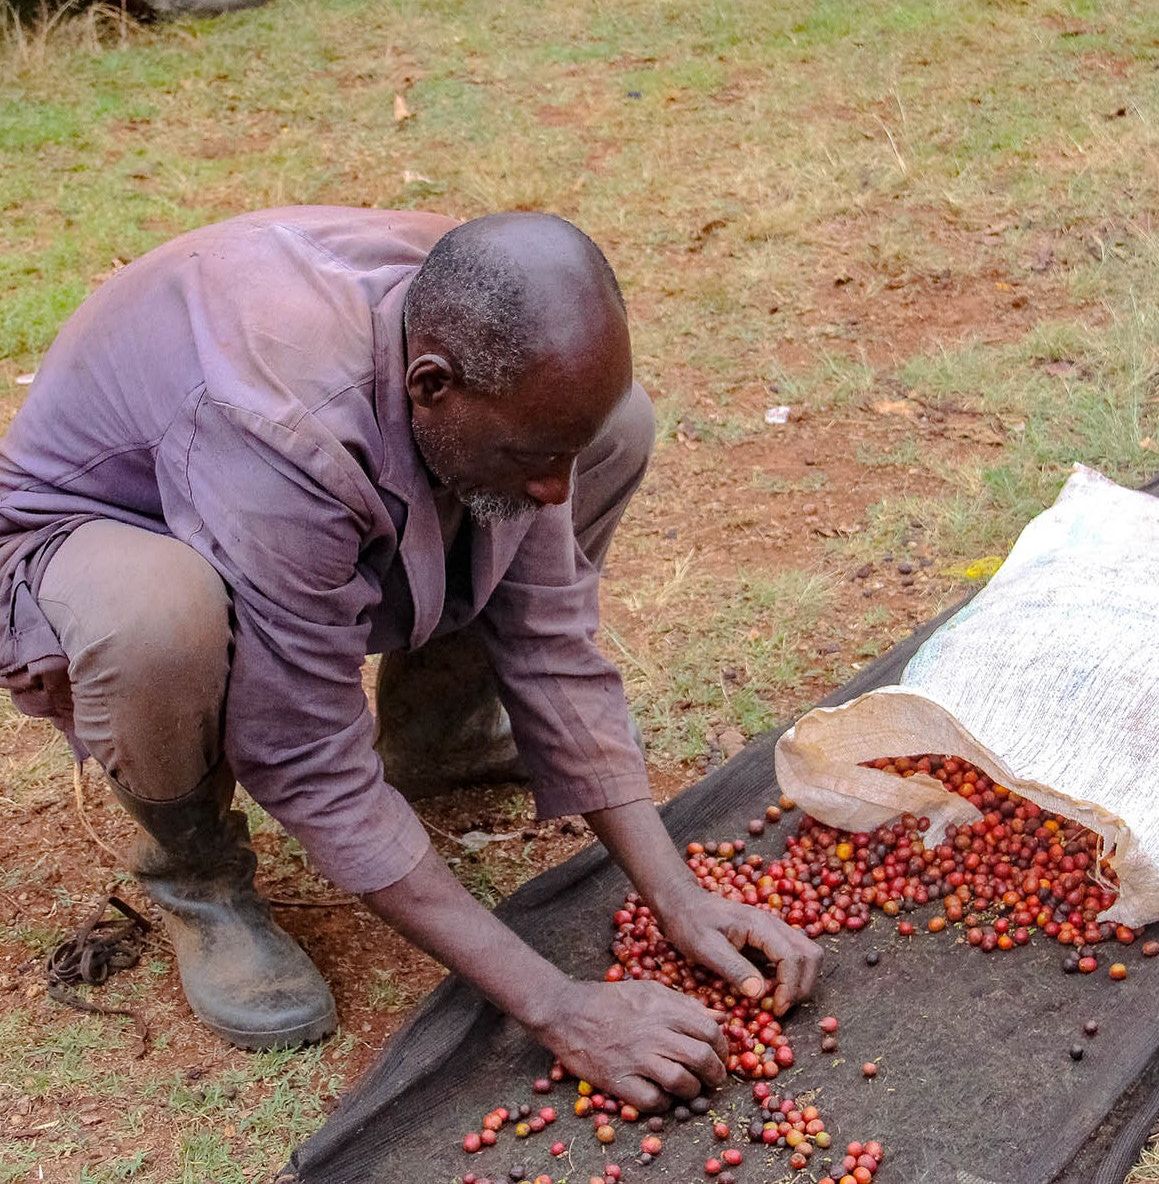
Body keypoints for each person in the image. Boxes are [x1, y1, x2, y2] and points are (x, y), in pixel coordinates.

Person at [0, 206, 821, 1110]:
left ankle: (440, 735)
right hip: (101, 525)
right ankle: (195, 872)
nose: (556, 489)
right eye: (530, 457)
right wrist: (557, 1007)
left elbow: (550, 632)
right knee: (159, 620)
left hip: (285, 480)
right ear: (428, 383)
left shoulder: (475, 316)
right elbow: (310, 756)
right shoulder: (282, 426)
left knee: (613, 425)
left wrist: (679, 895)